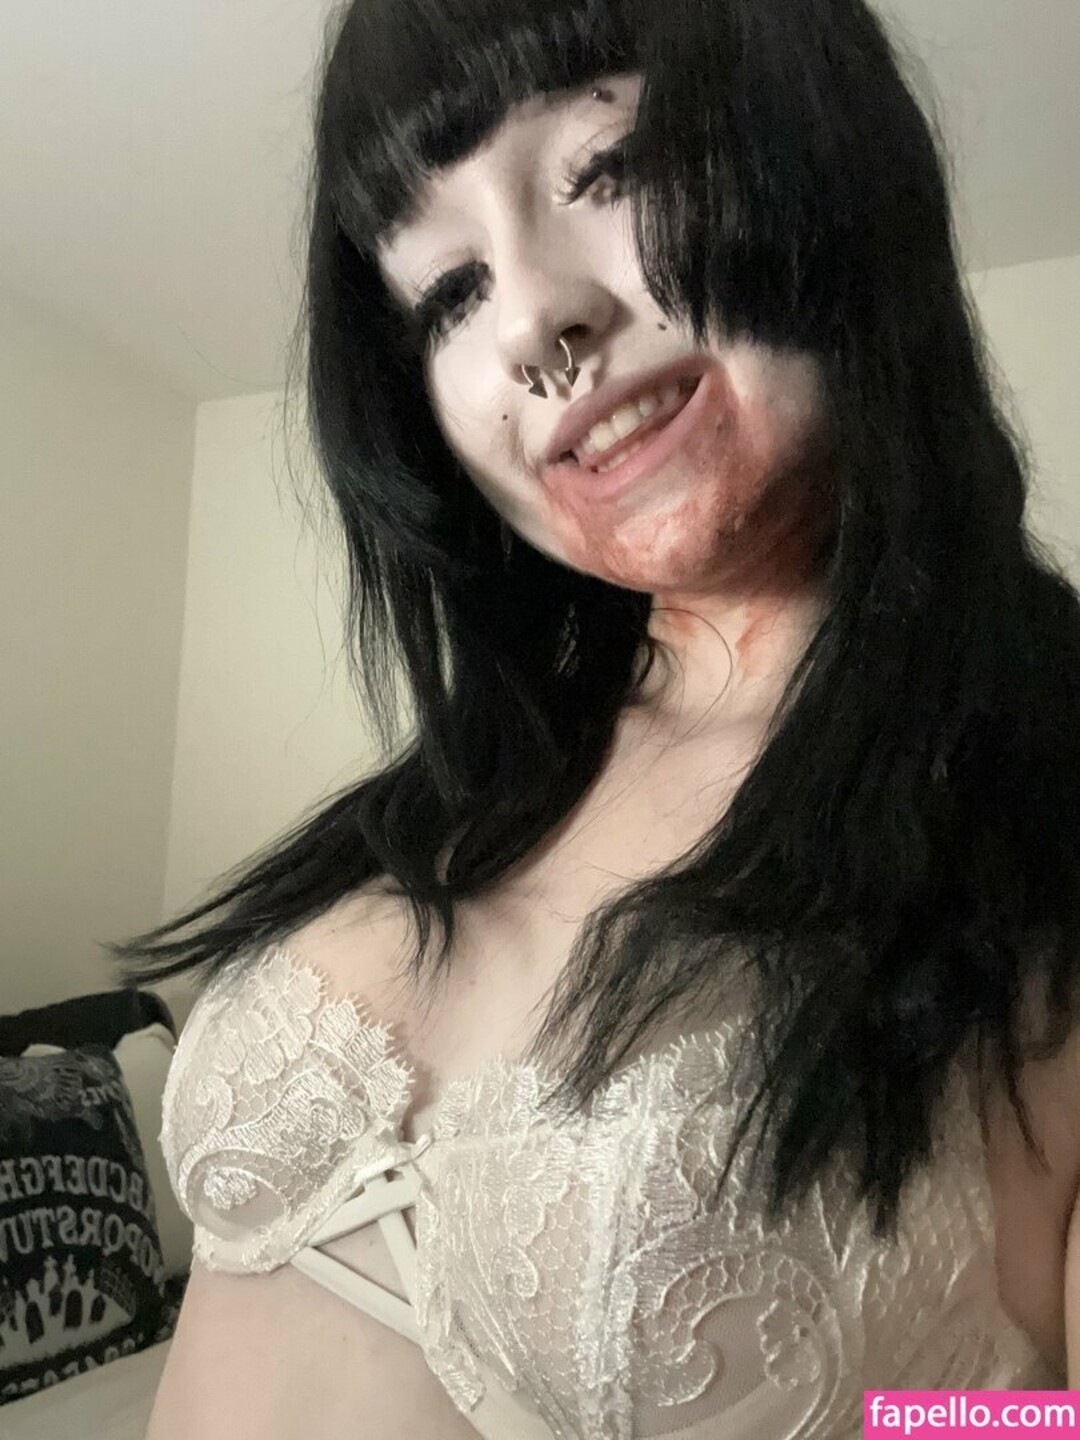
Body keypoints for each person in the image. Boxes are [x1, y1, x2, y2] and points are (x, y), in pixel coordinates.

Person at [117, 0, 1080, 1434]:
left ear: (829, 156)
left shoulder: (1043, 801)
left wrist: (918, 1419)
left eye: (612, 168)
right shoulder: (470, 793)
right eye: (447, 293)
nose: (529, 325)